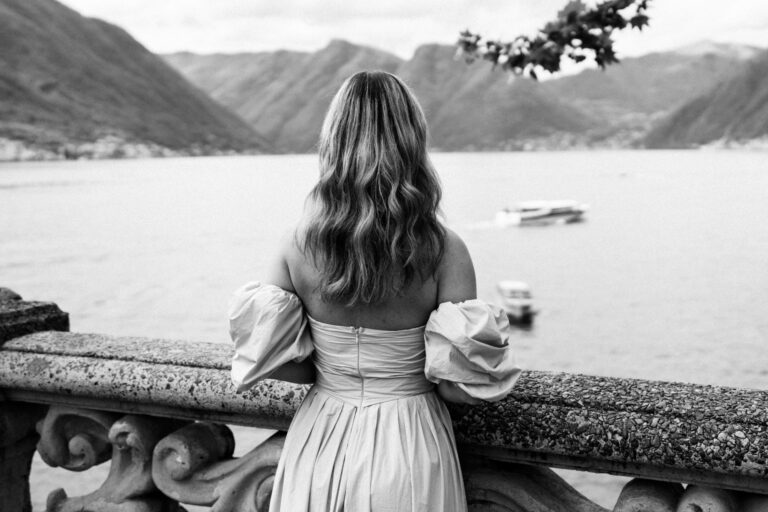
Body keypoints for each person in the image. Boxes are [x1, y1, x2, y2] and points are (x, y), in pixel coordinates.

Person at [229, 71, 520, 512]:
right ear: (411, 142)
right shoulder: (444, 250)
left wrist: (334, 373)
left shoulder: (297, 245)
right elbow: (457, 387)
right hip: (409, 442)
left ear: (334, 141)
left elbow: (277, 365)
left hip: (320, 437)